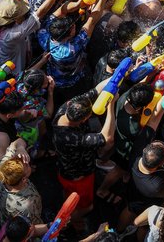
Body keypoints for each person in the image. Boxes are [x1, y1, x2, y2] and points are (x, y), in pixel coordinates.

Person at [52, 87, 117, 226]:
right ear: (85, 119)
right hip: (80, 179)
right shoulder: (72, 138)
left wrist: (118, 76)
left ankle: (69, 206)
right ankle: (69, 224)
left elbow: (96, 89)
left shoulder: (64, 110)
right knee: (87, 207)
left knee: (69, 196)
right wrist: (111, 106)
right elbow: (107, 138)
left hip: (64, 172)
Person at [0, 138, 42, 225]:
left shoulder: (2, 169)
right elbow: (34, 227)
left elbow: (16, 143)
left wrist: (20, 148)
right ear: (24, 179)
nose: (26, 161)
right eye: (26, 165)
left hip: (5, 218)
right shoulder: (27, 205)